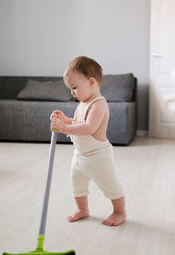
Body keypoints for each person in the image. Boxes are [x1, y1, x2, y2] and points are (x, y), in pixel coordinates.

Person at [50, 56, 126, 226]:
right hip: (79, 157)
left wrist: (64, 128)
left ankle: (120, 211)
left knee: (110, 186)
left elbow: (88, 127)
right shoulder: (82, 104)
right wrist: (65, 119)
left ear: (92, 82)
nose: (72, 93)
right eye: (70, 89)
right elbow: (77, 123)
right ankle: (83, 210)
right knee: (77, 186)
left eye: (75, 87)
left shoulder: (99, 105)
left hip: (98, 158)